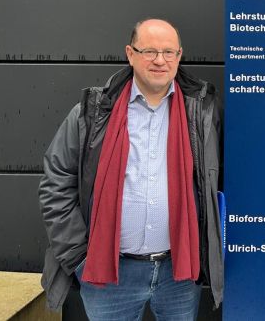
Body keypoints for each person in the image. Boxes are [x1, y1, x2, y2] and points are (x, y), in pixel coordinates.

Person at [39, 19, 223, 320]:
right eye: (149, 51)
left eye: (169, 52)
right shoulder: (94, 111)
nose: (160, 60)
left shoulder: (201, 113)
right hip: (108, 275)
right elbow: (56, 181)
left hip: (179, 273)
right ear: (130, 53)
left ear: (179, 56)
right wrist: (78, 256)